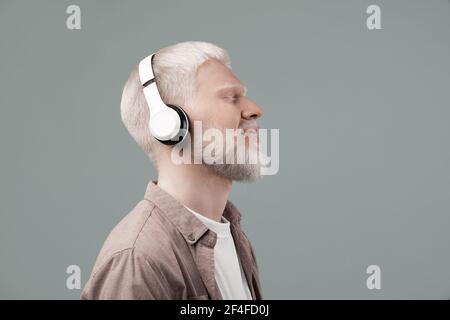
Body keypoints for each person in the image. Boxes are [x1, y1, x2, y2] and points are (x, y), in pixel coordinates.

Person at [81, 41, 264, 299]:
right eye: (232, 98)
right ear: (170, 124)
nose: (255, 110)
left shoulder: (232, 235)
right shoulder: (139, 259)